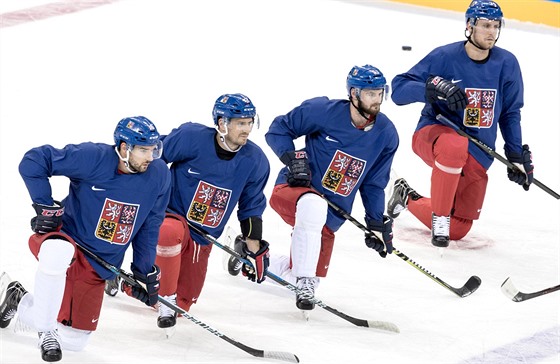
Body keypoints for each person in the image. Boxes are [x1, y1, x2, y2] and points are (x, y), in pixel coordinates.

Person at [0, 116, 171, 362]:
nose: (150, 157)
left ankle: (18, 299)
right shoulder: (93, 157)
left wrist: (143, 272)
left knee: (74, 341)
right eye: (143, 150)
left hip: (98, 263)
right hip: (66, 239)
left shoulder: (160, 176)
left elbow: (150, 224)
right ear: (124, 148)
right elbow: (34, 161)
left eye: (154, 149)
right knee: (57, 252)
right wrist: (45, 206)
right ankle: (46, 331)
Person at [249, 65, 398, 311]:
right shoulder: (322, 111)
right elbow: (278, 129)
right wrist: (294, 159)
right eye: (370, 93)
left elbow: (373, 182)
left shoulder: (386, 133)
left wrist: (375, 222)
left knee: (302, 273)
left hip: (333, 212)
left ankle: (250, 259)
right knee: (312, 206)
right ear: (353, 94)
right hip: (293, 190)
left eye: (380, 93)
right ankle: (304, 279)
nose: (377, 99)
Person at [388, 0, 533, 248]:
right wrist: (432, 88)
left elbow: (510, 113)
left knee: (458, 229)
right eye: (486, 25)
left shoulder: (507, 63)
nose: (492, 32)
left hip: (478, 152)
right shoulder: (445, 57)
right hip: (435, 136)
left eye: (496, 26)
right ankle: (440, 218)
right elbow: (398, 90)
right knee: (455, 145)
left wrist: (516, 155)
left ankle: (405, 196)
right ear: (470, 25)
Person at [143, 93, 271, 330]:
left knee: (184, 302)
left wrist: (254, 244)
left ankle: (144, 288)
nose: (247, 129)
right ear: (222, 123)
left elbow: (251, 204)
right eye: (241, 123)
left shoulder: (256, 160)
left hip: (203, 234)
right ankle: (157, 295)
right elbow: (152, 159)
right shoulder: (190, 138)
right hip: (172, 217)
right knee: (168, 234)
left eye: (250, 122)